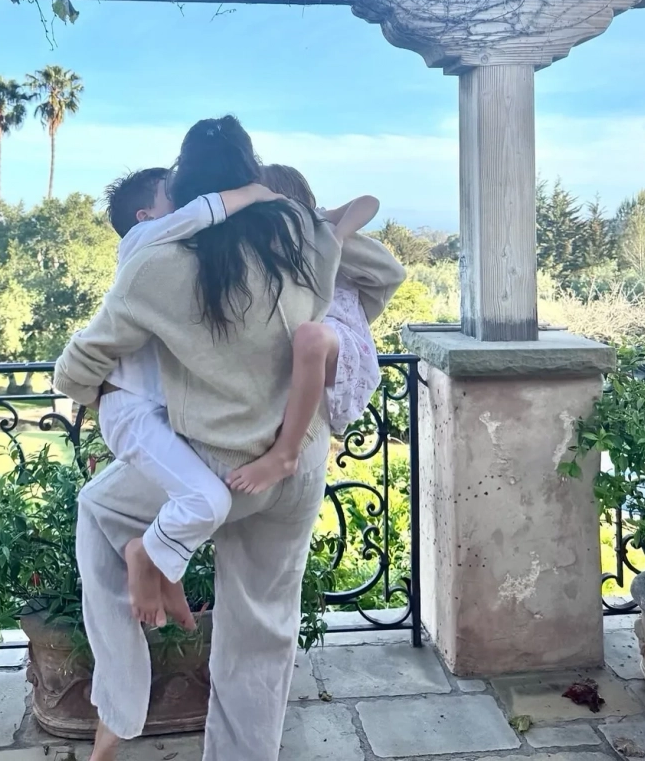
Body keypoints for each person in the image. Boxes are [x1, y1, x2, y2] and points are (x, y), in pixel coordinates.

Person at [54, 115, 405, 761]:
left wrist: (104, 395)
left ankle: (122, 702)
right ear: (250, 175)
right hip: (297, 463)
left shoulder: (158, 264)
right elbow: (368, 265)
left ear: (186, 187)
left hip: (220, 465)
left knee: (100, 510)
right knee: (261, 635)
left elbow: (76, 369)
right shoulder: (295, 235)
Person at [96, 167, 283, 627]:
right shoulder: (138, 242)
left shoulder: (170, 256)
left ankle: (164, 571)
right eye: (169, 194)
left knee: (191, 497)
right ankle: (143, 555)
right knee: (207, 501)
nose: (179, 199)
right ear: (144, 217)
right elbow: (201, 211)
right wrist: (255, 189)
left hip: (154, 412)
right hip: (131, 410)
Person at [227, 163, 383, 494]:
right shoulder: (265, 246)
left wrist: (336, 236)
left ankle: (287, 453)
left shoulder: (318, 226)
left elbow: (369, 202)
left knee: (310, 337)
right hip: (317, 335)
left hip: (341, 338)